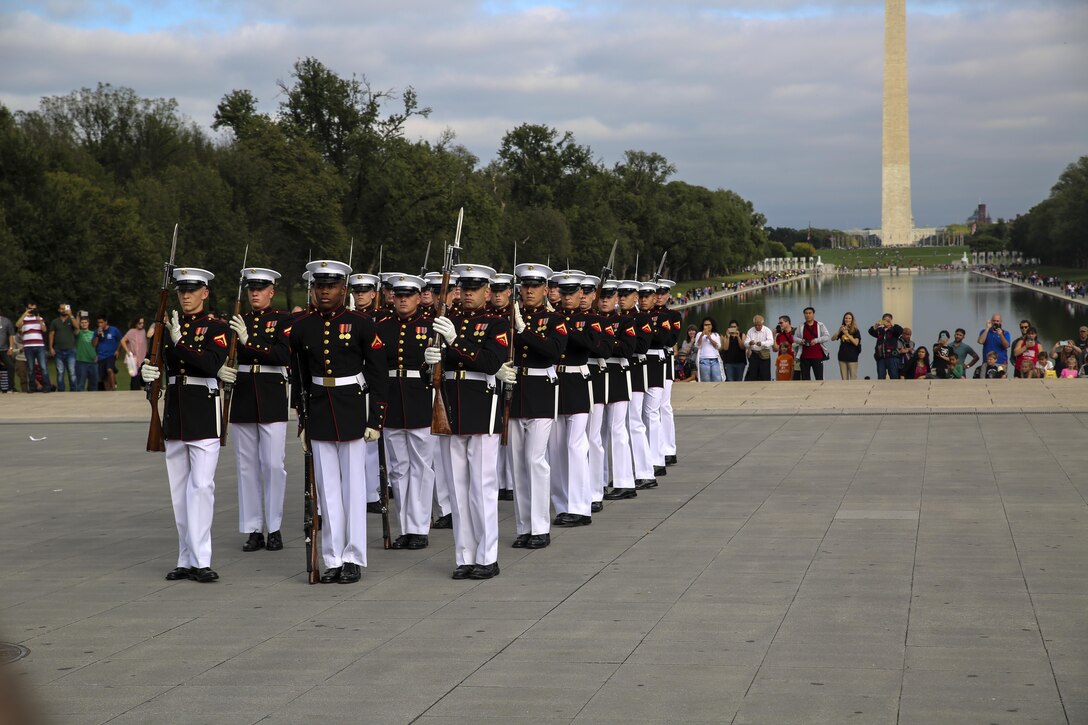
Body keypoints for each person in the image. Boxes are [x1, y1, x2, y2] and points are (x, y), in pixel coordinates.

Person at [290, 259, 388, 585]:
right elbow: (300, 378)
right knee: (327, 490)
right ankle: (332, 557)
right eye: (320, 286)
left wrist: (376, 417)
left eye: (330, 286)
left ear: (343, 289)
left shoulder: (360, 323)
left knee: (353, 488)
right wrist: (302, 421)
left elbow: (377, 374)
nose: (324, 291)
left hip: (352, 410)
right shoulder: (303, 326)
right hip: (319, 410)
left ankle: (353, 556)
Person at [139, 267, 230, 583]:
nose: (186, 295)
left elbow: (210, 364)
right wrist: (146, 374)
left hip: (203, 412)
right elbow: (155, 365)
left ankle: (202, 559)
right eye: (181, 291)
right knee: (180, 493)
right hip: (176, 414)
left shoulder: (216, 328)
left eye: (192, 290)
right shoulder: (165, 330)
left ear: (205, 293)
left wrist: (179, 342)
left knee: (201, 488)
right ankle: (185, 557)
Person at [425, 263, 508, 580]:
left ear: (487, 292)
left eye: (476, 288)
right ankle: (465, 556)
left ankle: (487, 557)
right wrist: (428, 360)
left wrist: (455, 340)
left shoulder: (495, 323)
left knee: (482, 487)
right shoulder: (447, 322)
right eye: (465, 288)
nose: (469, 293)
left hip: (481, 409)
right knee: (458, 489)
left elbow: (490, 362)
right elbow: (432, 370)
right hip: (452, 410)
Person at [218, 268, 292, 554]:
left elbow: (283, 355)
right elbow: (224, 354)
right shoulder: (239, 321)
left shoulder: (283, 320)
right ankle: (252, 528)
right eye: (251, 289)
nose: (255, 293)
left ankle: (273, 527)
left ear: (271, 291)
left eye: (260, 289)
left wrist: (250, 341)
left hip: (272, 393)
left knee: (273, 465)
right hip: (245, 392)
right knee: (246, 466)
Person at [376, 273, 437, 551]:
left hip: (420, 397)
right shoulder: (382, 326)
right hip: (391, 399)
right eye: (398, 295)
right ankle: (405, 527)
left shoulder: (430, 326)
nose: (402, 300)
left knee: (422, 467)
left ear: (417, 297)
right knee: (399, 469)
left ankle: (420, 527)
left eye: (408, 295)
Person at [507, 263, 567, 546]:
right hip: (515, 392)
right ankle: (523, 528)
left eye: (535, 286)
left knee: (535, 461)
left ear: (546, 289)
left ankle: (540, 527)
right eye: (525, 286)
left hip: (541, 391)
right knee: (517, 465)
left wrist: (523, 331)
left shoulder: (554, 320)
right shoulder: (507, 318)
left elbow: (554, 351)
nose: (529, 291)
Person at [599, 279, 640, 502]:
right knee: (600, 433)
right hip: (599, 376)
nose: (604, 301)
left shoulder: (624, 321)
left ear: (616, 299)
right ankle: (603, 479)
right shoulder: (595, 320)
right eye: (601, 297)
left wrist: (605, 342)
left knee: (617, 430)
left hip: (616, 375)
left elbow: (627, 349)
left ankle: (624, 481)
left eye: (609, 297)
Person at [617, 279, 656, 489]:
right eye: (620, 296)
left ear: (635, 297)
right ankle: (625, 471)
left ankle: (645, 472)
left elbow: (642, 346)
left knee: (634, 422)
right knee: (618, 427)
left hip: (635, 372)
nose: (622, 299)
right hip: (618, 373)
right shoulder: (615, 318)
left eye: (627, 296)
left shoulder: (641, 318)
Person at [16, 303, 50, 392]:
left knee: (43, 367)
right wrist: (25, 313)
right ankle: (32, 388)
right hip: (28, 346)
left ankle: (46, 387)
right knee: (31, 368)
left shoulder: (39, 318)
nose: (32, 310)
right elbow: (17, 325)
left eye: (33, 309)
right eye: (30, 308)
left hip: (39, 346)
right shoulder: (24, 319)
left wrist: (39, 321)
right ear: (26, 308)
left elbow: (44, 330)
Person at [794, 306, 831, 380]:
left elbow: (827, 337)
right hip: (804, 356)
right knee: (805, 378)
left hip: (817, 356)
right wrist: (801, 341)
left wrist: (816, 340)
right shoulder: (801, 326)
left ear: (814, 314)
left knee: (819, 377)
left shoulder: (820, 325)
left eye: (810, 313)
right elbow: (795, 338)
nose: (808, 315)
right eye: (806, 313)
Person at [48, 304, 78, 392]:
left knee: (72, 372)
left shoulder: (71, 319)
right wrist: (51, 347)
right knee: (60, 372)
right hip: (58, 350)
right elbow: (51, 334)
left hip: (70, 349)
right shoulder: (55, 322)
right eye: (61, 309)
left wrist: (71, 314)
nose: (63, 310)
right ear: (58, 310)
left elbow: (77, 327)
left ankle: (73, 390)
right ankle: (61, 390)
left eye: (65, 309)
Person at [868, 313, 903, 380]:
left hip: (892, 356)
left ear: (891, 320)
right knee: (881, 377)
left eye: (888, 320)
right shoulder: (880, 330)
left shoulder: (894, 329)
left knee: (894, 376)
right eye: (884, 320)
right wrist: (876, 326)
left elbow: (900, 331)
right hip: (881, 356)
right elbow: (871, 332)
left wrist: (892, 325)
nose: (886, 321)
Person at [119, 317, 150, 390]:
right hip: (134, 357)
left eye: (143, 323)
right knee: (134, 375)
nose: (142, 325)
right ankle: (134, 390)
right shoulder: (131, 331)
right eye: (140, 323)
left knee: (141, 375)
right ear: (136, 324)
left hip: (142, 356)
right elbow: (123, 341)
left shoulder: (143, 331)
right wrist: (128, 351)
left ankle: (139, 388)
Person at [93, 315, 122, 391]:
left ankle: (113, 388)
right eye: (98, 322)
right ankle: (108, 392)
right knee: (104, 377)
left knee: (109, 370)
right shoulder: (96, 332)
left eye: (101, 322)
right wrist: (97, 336)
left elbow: (121, 341)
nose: (100, 324)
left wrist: (118, 350)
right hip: (101, 356)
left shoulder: (114, 330)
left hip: (111, 355)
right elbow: (94, 345)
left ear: (106, 322)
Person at [832, 312, 861, 380]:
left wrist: (847, 334)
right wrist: (839, 331)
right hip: (842, 356)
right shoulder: (842, 330)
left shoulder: (856, 330)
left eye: (849, 318)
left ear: (852, 320)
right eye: (846, 318)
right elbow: (832, 339)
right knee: (844, 379)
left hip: (852, 357)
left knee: (853, 378)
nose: (847, 319)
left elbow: (856, 343)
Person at [74, 313, 99, 391]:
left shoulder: (93, 333)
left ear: (88, 323)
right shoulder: (78, 333)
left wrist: (98, 356)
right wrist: (78, 317)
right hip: (81, 361)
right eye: (82, 323)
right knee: (81, 384)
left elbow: (98, 345)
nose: (84, 324)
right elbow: (76, 328)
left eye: (86, 322)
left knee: (94, 384)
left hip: (93, 361)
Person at [744, 315, 774, 381]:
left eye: (759, 325)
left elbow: (771, 342)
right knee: (753, 374)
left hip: (764, 354)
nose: (757, 327)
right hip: (754, 354)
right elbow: (745, 343)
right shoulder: (750, 331)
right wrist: (749, 343)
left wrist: (762, 343)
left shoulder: (767, 330)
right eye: (756, 325)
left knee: (765, 375)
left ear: (762, 323)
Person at [693, 317, 723, 382]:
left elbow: (718, 346)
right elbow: (697, 345)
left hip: (715, 359)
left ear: (712, 325)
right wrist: (702, 335)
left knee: (717, 378)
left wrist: (710, 338)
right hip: (703, 360)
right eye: (705, 325)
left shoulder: (716, 334)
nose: (707, 326)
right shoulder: (699, 334)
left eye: (709, 324)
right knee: (706, 380)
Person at [0, 311, 16, 393]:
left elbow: (11, 335)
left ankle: (11, 387)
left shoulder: (6, 321)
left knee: (11, 366)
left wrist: (11, 348)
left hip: (4, 349)